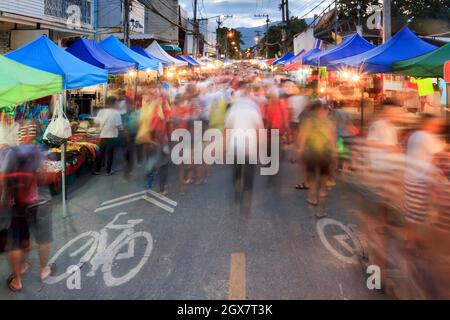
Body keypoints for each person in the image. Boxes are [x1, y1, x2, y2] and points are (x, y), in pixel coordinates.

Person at [298, 100, 336, 218]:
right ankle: (320, 210)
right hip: (325, 154)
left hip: (311, 153)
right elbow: (332, 139)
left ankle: (312, 198)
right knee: (323, 181)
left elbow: (302, 137)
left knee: (313, 178)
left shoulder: (309, 121)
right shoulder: (329, 123)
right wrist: (334, 153)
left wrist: (300, 151)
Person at [94, 96, 122, 175]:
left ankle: (97, 170)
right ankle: (108, 171)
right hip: (112, 136)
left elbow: (96, 122)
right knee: (110, 154)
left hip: (103, 135)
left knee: (101, 153)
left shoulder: (101, 111)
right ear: (113, 103)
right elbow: (118, 125)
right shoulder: (116, 113)